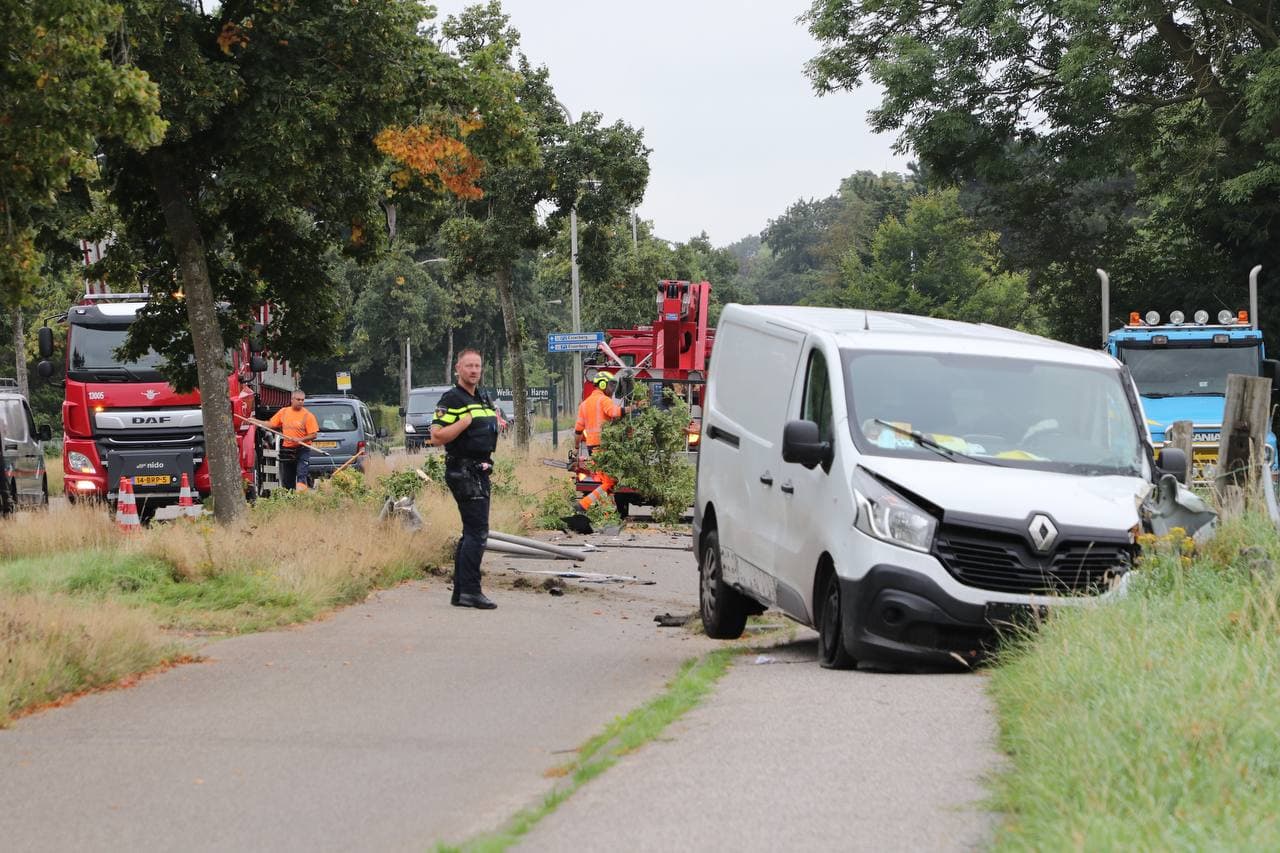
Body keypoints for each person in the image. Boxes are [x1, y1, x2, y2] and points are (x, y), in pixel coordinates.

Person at [430, 348, 500, 610]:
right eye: (468, 366)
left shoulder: (483, 396)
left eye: (477, 366)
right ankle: (471, 591)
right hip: (463, 470)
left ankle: (460, 592)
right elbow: (436, 436)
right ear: (457, 369)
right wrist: (464, 423)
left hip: (480, 469)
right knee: (477, 532)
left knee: (471, 532)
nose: (473, 370)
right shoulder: (452, 399)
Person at [574, 371, 628, 513]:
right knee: (610, 481)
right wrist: (632, 408)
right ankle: (583, 505)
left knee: (606, 481)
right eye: (610, 385)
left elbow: (578, 430)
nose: (612, 390)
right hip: (603, 446)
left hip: (592, 448)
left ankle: (608, 513)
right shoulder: (604, 400)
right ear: (602, 384)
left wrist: (575, 448)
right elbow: (614, 413)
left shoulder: (584, 405)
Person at [251, 390, 319, 491]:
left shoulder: (308, 416)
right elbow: (271, 424)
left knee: (301, 474)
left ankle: (302, 498)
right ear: (292, 400)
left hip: (302, 449)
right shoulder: (284, 412)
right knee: (288, 479)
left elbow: (314, 435)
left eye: (302, 400)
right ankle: (290, 499)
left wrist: (300, 439)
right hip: (287, 449)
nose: (301, 402)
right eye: (298, 399)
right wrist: (255, 421)